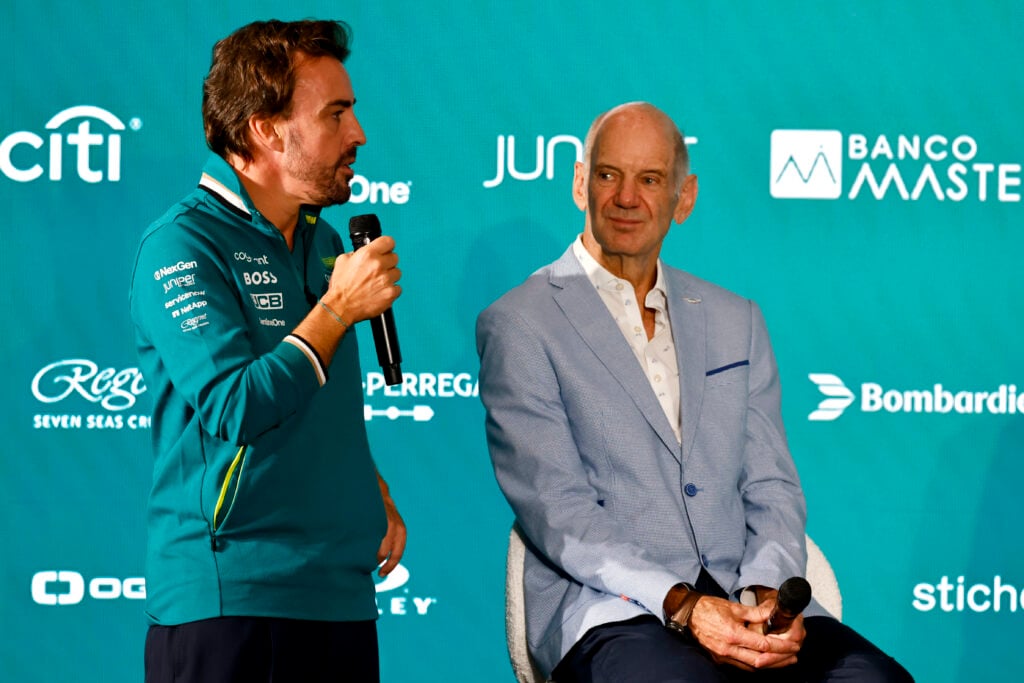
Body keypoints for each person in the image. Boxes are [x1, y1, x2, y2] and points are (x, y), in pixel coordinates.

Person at [477, 102, 913, 682]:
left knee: (873, 679)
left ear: (684, 198)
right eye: (608, 174)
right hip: (613, 610)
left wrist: (766, 596)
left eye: (650, 180)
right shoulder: (520, 323)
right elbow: (557, 510)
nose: (626, 197)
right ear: (580, 183)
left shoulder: (736, 319)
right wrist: (684, 605)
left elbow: (772, 486)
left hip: (743, 599)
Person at [129, 20, 405, 682]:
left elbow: (317, 402)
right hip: (232, 601)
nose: (358, 134)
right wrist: (336, 310)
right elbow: (235, 405)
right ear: (265, 129)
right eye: (335, 114)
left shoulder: (325, 241)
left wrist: (365, 486)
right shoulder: (183, 245)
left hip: (339, 594)